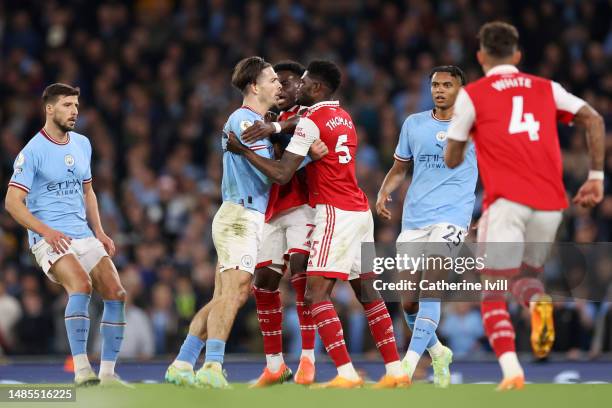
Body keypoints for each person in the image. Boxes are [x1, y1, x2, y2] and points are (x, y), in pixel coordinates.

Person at [227, 60, 408, 389]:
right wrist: (279, 129)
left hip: (333, 211)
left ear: (317, 89)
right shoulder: (344, 117)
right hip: (358, 209)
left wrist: (244, 148)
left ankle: (345, 373)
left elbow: (283, 172)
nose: (294, 88)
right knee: (367, 291)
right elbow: (301, 132)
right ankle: (396, 371)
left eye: (303, 83)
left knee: (315, 294)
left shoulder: (309, 121)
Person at [445, 21, 605, 390]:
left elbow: (452, 158)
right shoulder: (546, 88)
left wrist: (463, 135)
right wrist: (596, 176)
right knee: (525, 279)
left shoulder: (473, 94)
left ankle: (512, 371)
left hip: (506, 203)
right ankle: (537, 306)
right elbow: (593, 119)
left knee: (491, 289)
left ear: (480, 56)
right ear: (517, 55)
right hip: (551, 205)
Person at [164, 57, 326, 389]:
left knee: (224, 296)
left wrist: (295, 146)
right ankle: (212, 366)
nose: (278, 84)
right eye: (271, 79)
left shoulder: (257, 122)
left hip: (242, 215)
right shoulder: (243, 121)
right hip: (241, 215)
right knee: (236, 292)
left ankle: (182, 363)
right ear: (254, 87)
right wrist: (308, 153)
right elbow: (277, 175)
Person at [5, 83, 128, 387]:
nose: (74, 111)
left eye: (76, 105)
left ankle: (109, 375)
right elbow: (11, 203)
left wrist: (99, 231)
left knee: (117, 293)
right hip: (50, 239)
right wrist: (46, 232)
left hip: (82, 235)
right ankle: (82, 370)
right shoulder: (32, 151)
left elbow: (88, 192)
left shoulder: (83, 144)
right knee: (82, 286)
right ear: (49, 109)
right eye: (67, 105)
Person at [376, 65, 477, 388]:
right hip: (415, 218)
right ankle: (438, 351)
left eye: (448, 85)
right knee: (408, 302)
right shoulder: (414, 124)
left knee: (431, 285)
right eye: (435, 84)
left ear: (460, 90)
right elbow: (399, 167)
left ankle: (406, 365)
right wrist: (383, 191)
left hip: (453, 216)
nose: (440, 90)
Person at [249, 61, 317, 387]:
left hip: (304, 205)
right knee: (263, 282)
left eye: (286, 83)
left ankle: (307, 358)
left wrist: (274, 129)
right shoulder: (269, 118)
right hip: (272, 208)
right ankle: (275, 365)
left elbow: (304, 125)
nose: (281, 89)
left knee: (302, 271)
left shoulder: (308, 115)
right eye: (276, 82)